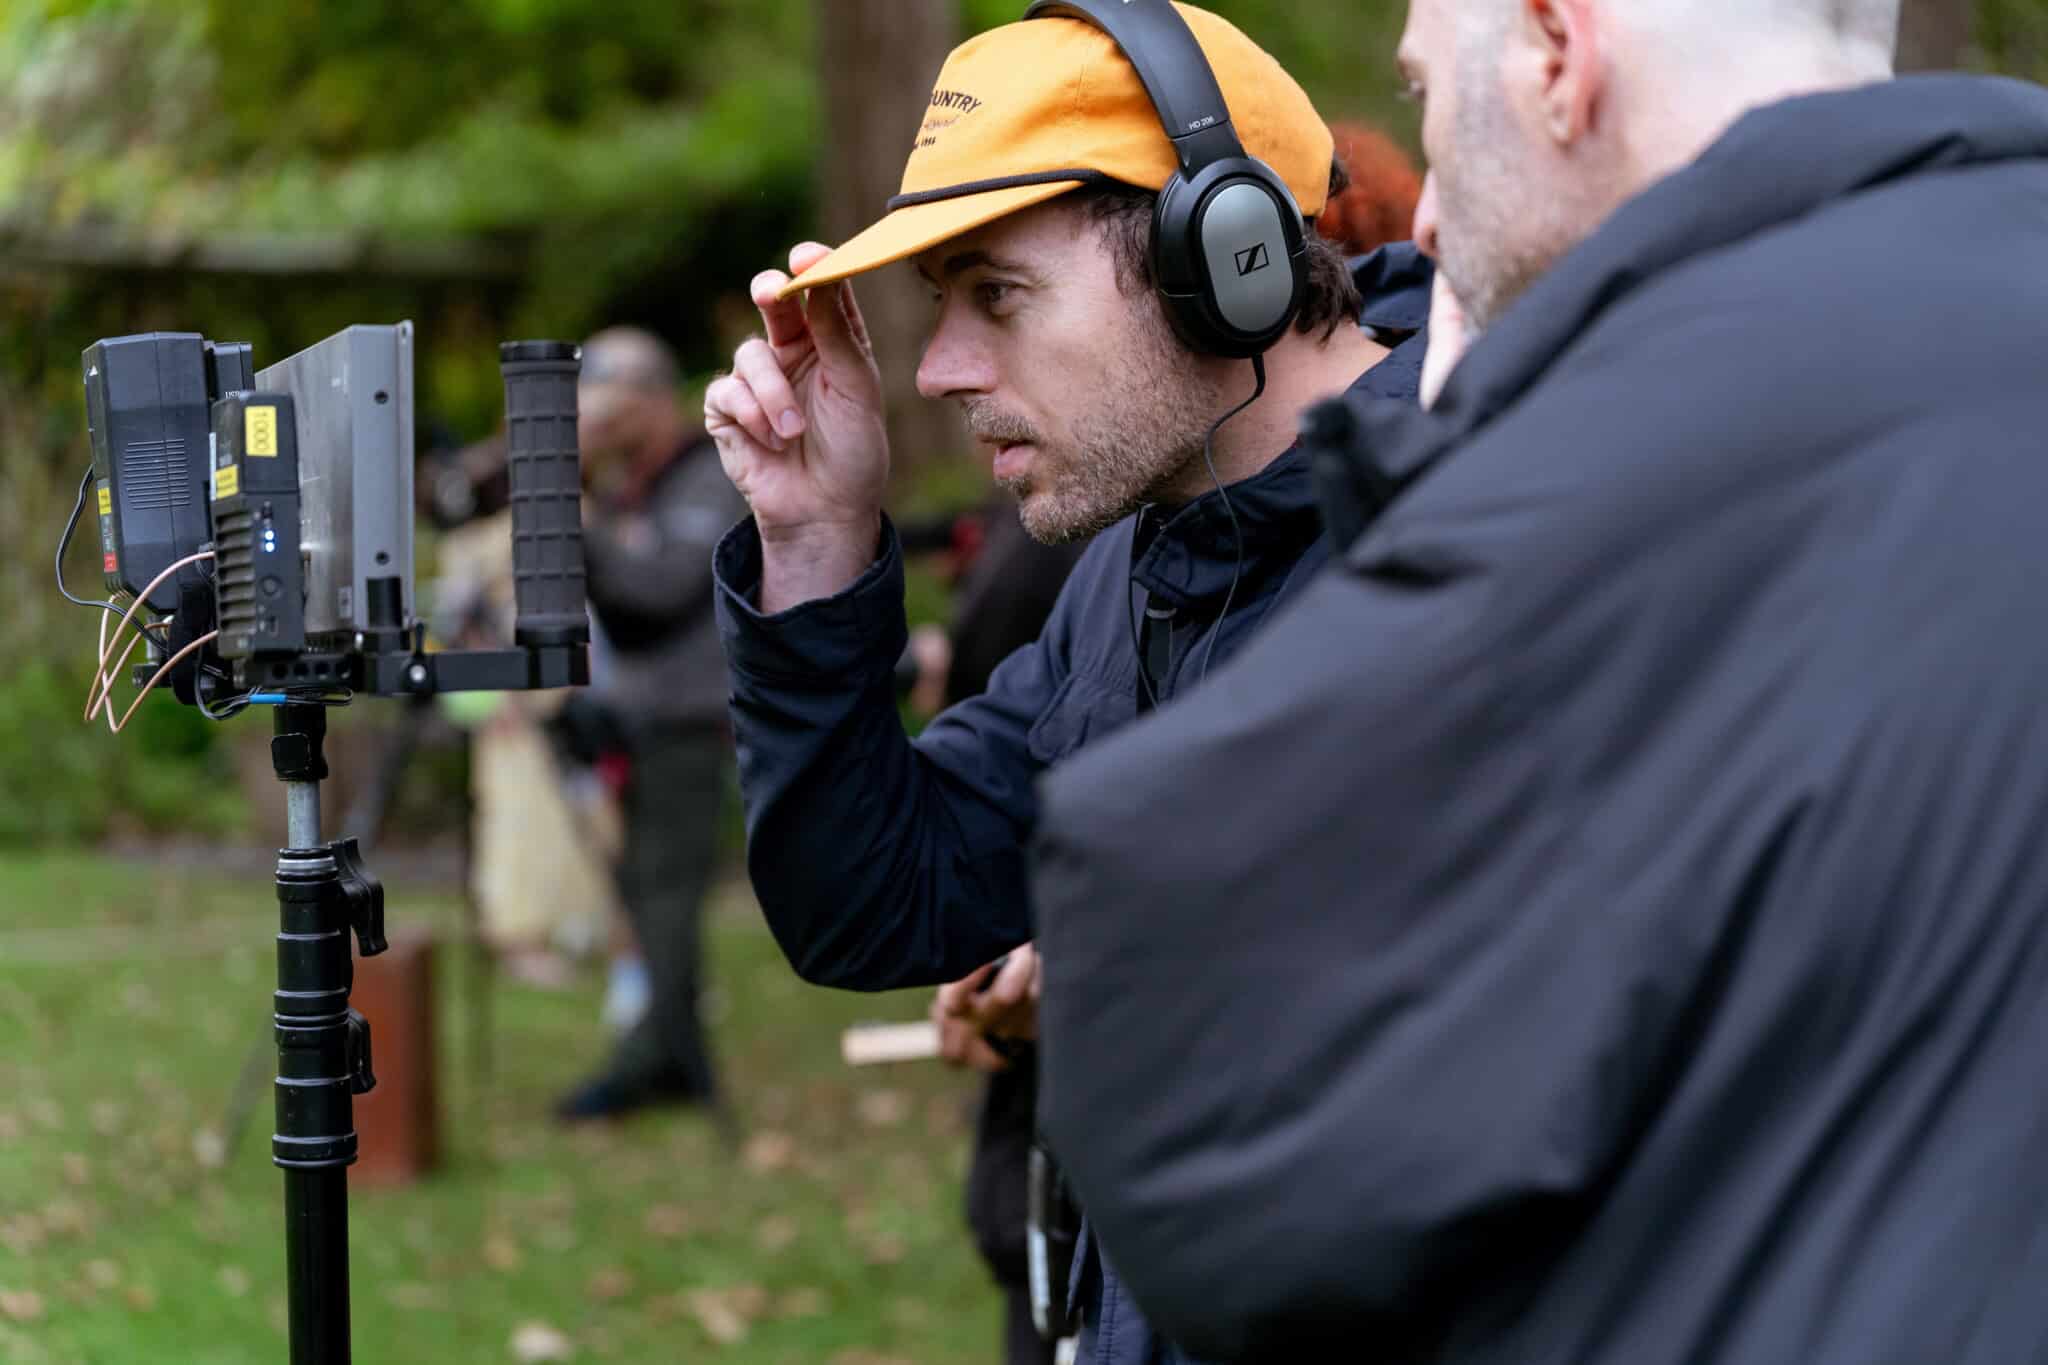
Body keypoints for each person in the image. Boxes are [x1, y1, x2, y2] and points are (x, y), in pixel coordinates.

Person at [1025, 2, 2048, 1361]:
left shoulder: (1618, 465)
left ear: (1559, 56)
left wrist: (1449, 462)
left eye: (1434, 103)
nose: (1428, 218)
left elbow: (1213, 1141)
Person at [702, 4, 1431, 1360]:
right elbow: (876, 900)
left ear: (1224, 258)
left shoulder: (1475, 543)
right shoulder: (1137, 570)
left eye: (1000, 294)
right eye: (943, 307)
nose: (940, 372)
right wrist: (816, 549)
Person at [554, 326, 749, 1122]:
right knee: (642, 896)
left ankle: (661, 1061)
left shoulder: (708, 478)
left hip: (688, 727)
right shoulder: (632, 487)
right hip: (636, 722)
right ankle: (672, 1054)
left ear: (652, 401)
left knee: (664, 899)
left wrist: (570, 503)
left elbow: (660, 590)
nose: (593, 418)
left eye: (609, 402)